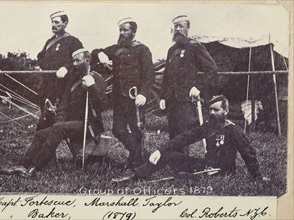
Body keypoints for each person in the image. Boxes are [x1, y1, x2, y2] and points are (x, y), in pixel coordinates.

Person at [124, 95, 267, 181]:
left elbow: (248, 154)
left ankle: (186, 176)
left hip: (221, 172)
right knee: (168, 154)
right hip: (205, 166)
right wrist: (160, 150)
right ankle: (137, 175)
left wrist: (258, 176)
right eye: (210, 110)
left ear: (226, 111)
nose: (212, 113)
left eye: (216, 110)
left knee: (182, 177)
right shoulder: (208, 126)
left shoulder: (234, 130)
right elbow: (184, 138)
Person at [14, 49, 107, 177]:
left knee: (59, 128)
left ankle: (35, 168)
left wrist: (92, 86)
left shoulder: (96, 78)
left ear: (87, 60)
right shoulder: (73, 80)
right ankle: (23, 164)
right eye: (73, 61)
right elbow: (64, 106)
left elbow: (102, 105)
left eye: (78, 61)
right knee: (41, 134)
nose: (74, 64)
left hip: (90, 125)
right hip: (72, 125)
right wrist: (58, 123)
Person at [94, 17, 155, 168]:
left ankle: (137, 161)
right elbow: (95, 52)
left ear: (134, 32)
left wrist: (143, 94)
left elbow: (149, 75)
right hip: (119, 98)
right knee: (118, 130)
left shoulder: (143, 50)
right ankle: (140, 156)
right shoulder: (116, 49)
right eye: (120, 30)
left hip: (135, 98)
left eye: (125, 30)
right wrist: (101, 54)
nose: (122, 33)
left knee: (137, 131)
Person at [159, 15, 218, 154]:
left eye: (181, 26)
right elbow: (167, 76)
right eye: (176, 26)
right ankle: (175, 161)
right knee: (173, 131)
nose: (178, 29)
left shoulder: (195, 46)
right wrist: (162, 96)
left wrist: (198, 87)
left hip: (185, 99)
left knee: (183, 134)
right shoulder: (171, 50)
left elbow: (212, 69)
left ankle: (183, 167)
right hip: (171, 99)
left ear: (188, 28)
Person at [36, 11, 84, 131]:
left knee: (49, 124)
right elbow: (40, 58)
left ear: (65, 23)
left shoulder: (73, 41)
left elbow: (82, 62)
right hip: (46, 87)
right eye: (52, 22)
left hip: (62, 88)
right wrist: (48, 69)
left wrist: (66, 68)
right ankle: (48, 148)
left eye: (57, 22)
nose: (53, 25)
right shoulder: (49, 42)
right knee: (45, 121)